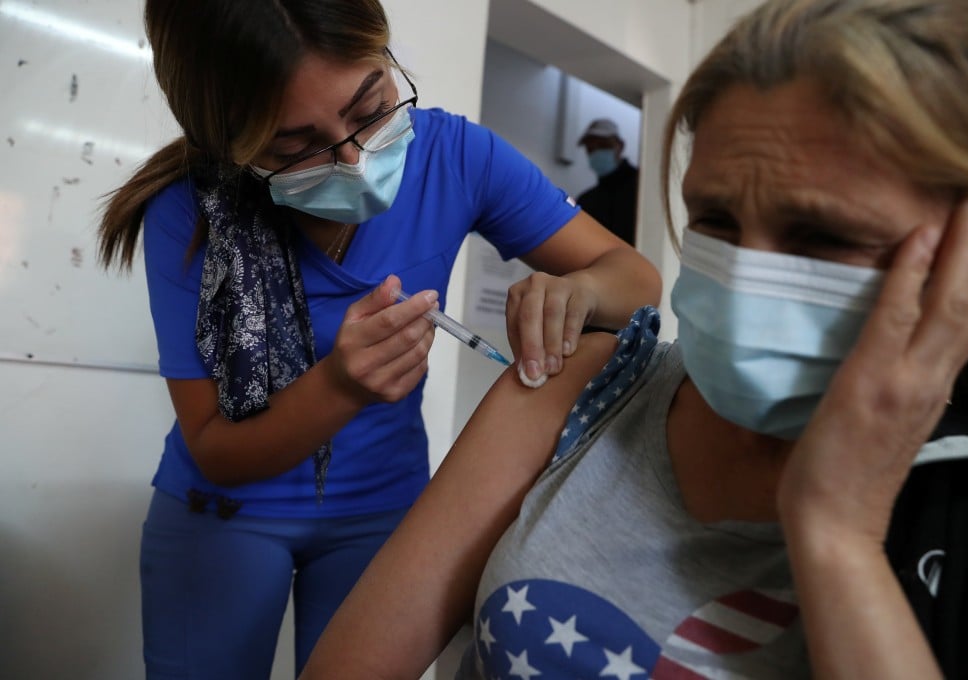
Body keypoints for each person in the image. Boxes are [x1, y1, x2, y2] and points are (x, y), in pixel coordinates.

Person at [298, 0, 968, 678]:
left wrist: (835, 538)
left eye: (821, 236)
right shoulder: (584, 388)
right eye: (715, 220)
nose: (746, 278)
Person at [95, 0, 661, 677]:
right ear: (234, 147)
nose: (358, 161)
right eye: (297, 146)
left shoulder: (455, 156)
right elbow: (217, 451)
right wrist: (339, 387)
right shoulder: (188, 212)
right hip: (221, 510)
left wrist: (583, 291)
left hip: (383, 513)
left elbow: (635, 279)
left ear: (388, 60)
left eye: (372, 107)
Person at [576, 117, 640, 246]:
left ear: (620, 145)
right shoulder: (586, 201)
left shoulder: (643, 188)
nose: (596, 153)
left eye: (603, 145)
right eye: (590, 149)